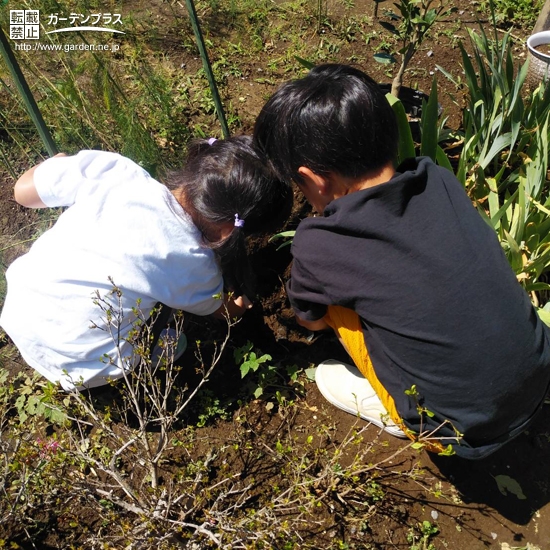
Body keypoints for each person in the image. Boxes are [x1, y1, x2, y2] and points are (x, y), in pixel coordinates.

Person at [253, 63, 550, 459]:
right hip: (538, 376)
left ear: (315, 180)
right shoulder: (438, 180)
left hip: (458, 433)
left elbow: (310, 320)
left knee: (331, 322)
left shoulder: (319, 243)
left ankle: (391, 410)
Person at [0, 136, 291, 391]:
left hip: (19, 314)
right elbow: (221, 311)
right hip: (86, 367)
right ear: (230, 231)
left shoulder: (115, 171)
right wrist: (240, 305)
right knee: (175, 344)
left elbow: (22, 192)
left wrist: (58, 164)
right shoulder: (194, 263)